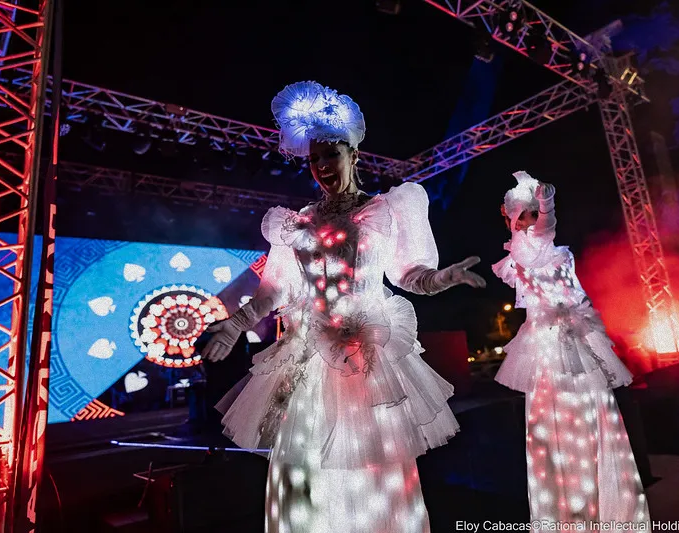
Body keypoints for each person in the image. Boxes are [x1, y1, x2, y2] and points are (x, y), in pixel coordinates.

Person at [204, 81, 486, 532]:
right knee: (301, 473)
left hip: (362, 359)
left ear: (354, 154)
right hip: (307, 357)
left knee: (370, 473)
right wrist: (235, 324)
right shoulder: (297, 222)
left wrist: (442, 278)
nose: (321, 166)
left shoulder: (383, 210)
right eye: (314, 158)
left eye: (330, 154)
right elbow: (276, 289)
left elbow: (410, 274)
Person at [492, 171, 650, 530]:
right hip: (548, 352)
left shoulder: (562, 255)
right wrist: (544, 204)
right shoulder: (519, 255)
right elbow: (542, 231)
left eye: (536, 214)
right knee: (558, 430)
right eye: (525, 215)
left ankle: (609, 507)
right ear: (513, 220)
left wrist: (545, 203)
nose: (534, 220)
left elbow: (552, 238)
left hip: (579, 345)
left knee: (595, 420)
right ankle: (570, 512)